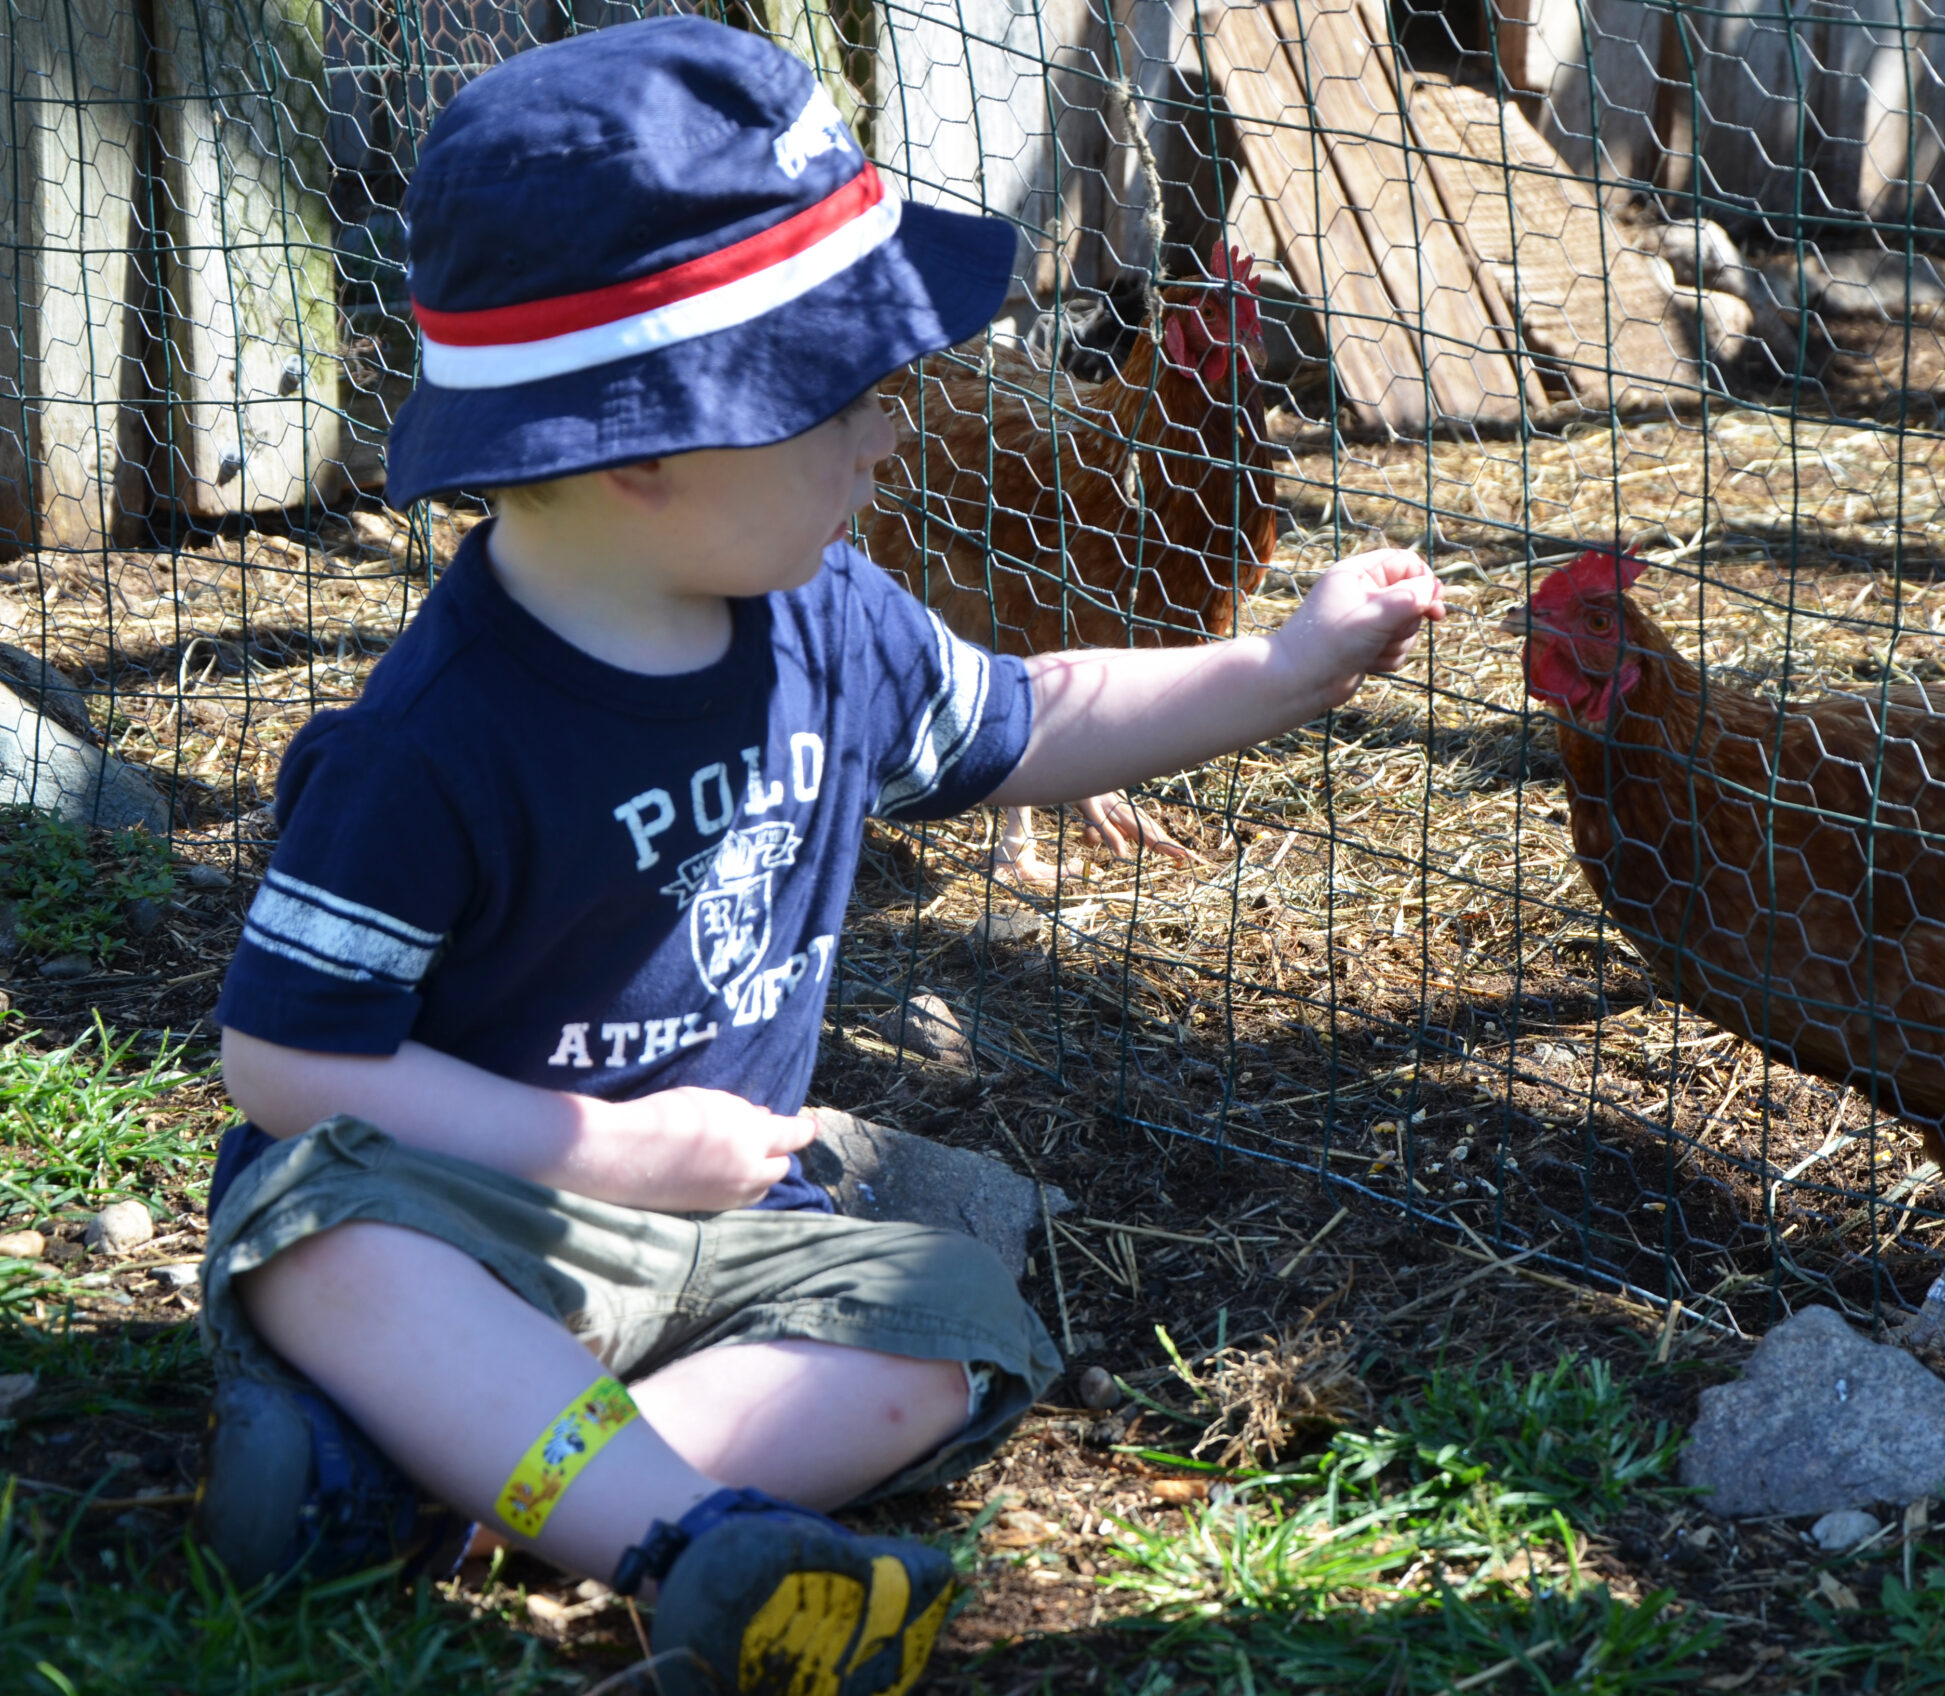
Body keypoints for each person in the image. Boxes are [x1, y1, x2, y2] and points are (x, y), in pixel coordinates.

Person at [189, 18, 1444, 1696]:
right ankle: (680, 1544)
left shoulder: (826, 618)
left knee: (941, 1319)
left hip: (726, 1223)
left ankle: (427, 1490)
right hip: (462, 1213)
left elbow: (1035, 715)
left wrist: (1280, 671)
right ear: (645, 440)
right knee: (328, 1244)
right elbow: (279, 1065)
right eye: (841, 394)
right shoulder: (440, 737)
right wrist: (607, 1154)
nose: (893, 428)